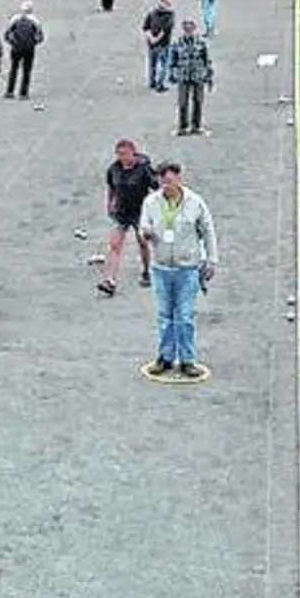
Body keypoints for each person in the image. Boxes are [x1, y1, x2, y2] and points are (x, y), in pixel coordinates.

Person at [138, 162, 219, 377]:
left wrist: (211, 261)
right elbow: (143, 225)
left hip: (187, 268)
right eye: (162, 181)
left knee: (184, 316)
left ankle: (187, 359)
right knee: (165, 315)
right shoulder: (151, 202)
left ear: (179, 179)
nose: (166, 185)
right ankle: (165, 357)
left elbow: (208, 231)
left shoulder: (195, 203)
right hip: (161, 267)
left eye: (169, 180)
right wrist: (146, 232)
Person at [98, 139, 159, 296]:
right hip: (122, 212)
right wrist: (110, 204)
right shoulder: (113, 169)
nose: (121, 158)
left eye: (124, 154)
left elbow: (157, 187)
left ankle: (146, 271)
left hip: (140, 211)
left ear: (133, 153)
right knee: (115, 245)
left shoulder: (144, 169)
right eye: (118, 154)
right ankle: (110, 280)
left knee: (142, 242)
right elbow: (111, 187)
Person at [170, 19, 215, 135]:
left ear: (194, 29)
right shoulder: (177, 43)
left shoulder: (201, 43)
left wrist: (209, 76)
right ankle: (182, 127)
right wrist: (172, 75)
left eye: (190, 29)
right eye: (186, 30)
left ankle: (197, 126)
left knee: (198, 101)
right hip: (183, 76)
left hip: (198, 75)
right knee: (182, 102)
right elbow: (173, 61)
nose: (188, 32)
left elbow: (207, 60)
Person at [3, 2, 45, 99]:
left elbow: (7, 35)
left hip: (16, 48)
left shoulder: (15, 19)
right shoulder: (35, 21)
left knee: (13, 69)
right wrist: (33, 43)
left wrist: (12, 43)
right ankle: (23, 93)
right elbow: (40, 37)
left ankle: (10, 91)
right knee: (27, 71)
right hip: (29, 49)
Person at [141, 0, 177, 92]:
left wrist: (153, 39)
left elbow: (165, 29)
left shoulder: (167, 15)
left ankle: (156, 82)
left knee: (158, 64)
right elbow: (146, 27)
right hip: (158, 44)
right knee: (159, 64)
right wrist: (152, 38)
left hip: (159, 43)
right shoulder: (154, 14)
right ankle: (156, 83)